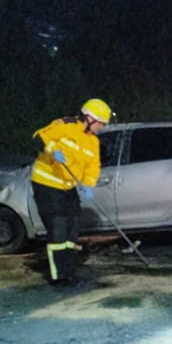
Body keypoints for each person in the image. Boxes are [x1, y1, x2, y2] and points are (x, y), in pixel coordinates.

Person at [30, 98, 111, 284]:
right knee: (58, 229)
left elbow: (93, 166)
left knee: (73, 228)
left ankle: (69, 272)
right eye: (100, 123)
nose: (101, 127)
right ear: (89, 118)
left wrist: (88, 185)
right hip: (48, 184)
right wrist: (52, 150)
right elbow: (39, 137)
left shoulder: (93, 142)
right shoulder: (65, 125)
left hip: (68, 186)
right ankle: (59, 277)